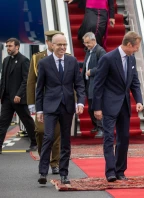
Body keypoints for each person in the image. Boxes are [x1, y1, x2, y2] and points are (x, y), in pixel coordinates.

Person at [92, 31, 143, 182]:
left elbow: (135, 82)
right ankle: (110, 172)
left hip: (124, 105)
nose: (137, 50)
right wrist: (97, 107)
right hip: (108, 105)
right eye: (136, 47)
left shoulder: (131, 59)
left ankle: (120, 170)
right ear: (128, 44)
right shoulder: (108, 58)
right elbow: (98, 84)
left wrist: (138, 100)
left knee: (124, 138)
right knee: (108, 138)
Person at [36, 34, 85, 185]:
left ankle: (64, 173)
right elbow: (39, 88)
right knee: (48, 137)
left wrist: (81, 102)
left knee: (65, 140)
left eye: (64, 44)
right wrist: (39, 110)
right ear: (52, 45)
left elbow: (79, 84)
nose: (63, 47)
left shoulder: (72, 61)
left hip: (67, 106)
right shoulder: (44, 63)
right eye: (59, 45)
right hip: (50, 106)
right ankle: (43, 172)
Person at [27, 30, 63, 174]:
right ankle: (44, 157)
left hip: (60, 102)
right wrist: (31, 103)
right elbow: (31, 82)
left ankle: (55, 163)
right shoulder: (37, 58)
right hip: (43, 102)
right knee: (40, 131)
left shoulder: (65, 57)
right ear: (49, 43)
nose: (61, 47)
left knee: (56, 133)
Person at [0, 38, 37, 154]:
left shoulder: (24, 60)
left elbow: (26, 80)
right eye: (7, 46)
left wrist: (19, 94)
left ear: (17, 47)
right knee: (2, 122)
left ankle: (35, 142)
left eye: (10, 46)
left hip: (18, 99)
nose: (8, 48)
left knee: (27, 121)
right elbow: (3, 79)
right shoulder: (5, 60)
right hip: (6, 98)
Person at [81, 32, 106, 137]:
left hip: (96, 84)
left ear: (93, 40)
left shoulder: (100, 51)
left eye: (88, 42)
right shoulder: (89, 51)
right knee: (90, 107)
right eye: (85, 43)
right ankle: (96, 125)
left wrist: (92, 72)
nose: (86, 45)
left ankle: (102, 128)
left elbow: (104, 67)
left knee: (96, 106)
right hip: (88, 83)